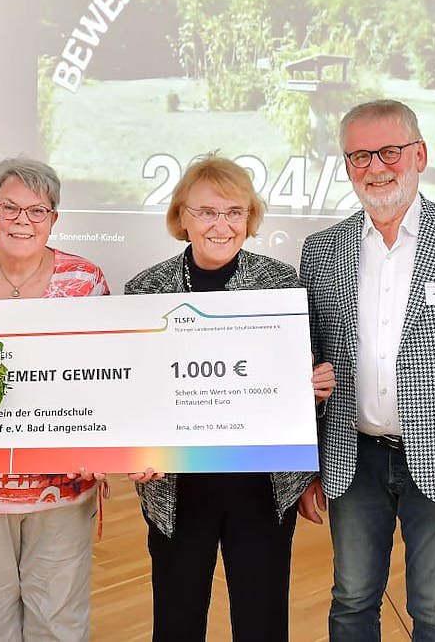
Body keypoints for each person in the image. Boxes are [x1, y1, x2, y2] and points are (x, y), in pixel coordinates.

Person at [297, 99, 435, 640]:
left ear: (420, 155)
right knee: (351, 601)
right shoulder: (322, 251)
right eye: (359, 156)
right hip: (352, 459)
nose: (375, 167)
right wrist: (305, 467)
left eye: (390, 152)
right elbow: (308, 366)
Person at [125, 155, 335, 641]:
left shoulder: (283, 284)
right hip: (177, 487)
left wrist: (314, 391)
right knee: (176, 625)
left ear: (249, 218)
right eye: (206, 212)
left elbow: (303, 385)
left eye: (234, 212)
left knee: (262, 625)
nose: (221, 225)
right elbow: (135, 394)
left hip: (260, 487)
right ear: (181, 217)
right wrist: (134, 450)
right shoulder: (145, 290)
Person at [0, 156, 109, 641]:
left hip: (62, 485)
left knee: (59, 622)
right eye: (9, 207)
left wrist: (104, 446)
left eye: (37, 210)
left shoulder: (85, 281)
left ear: (54, 218)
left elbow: (107, 378)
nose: (22, 220)